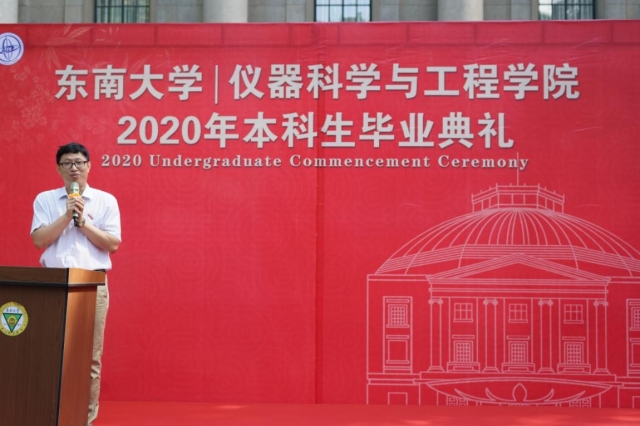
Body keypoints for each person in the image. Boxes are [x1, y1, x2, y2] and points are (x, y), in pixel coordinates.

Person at [30, 142, 121, 426]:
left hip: (92, 283)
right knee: (49, 352)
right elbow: (39, 240)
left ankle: (84, 419)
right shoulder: (45, 199)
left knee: (90, 357)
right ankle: (48, 416)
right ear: (58, 168)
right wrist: (67, 215)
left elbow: (112, 244)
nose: (74, 168)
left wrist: (84, 223)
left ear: (89, 166)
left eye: (79, 162)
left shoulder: (105, 201)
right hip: (53, 285)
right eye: (67, 163)